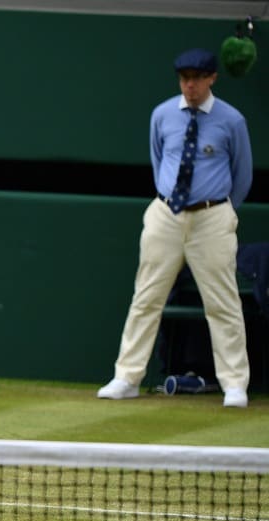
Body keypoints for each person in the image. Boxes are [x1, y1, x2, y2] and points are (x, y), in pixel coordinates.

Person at [98, 49, 253, 407]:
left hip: (212, 217)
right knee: (146, 297)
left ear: (212, 78)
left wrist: (221, 211)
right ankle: (127, 377)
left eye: (197, 79)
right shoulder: (162, 115)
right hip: (165, 214)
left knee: (222, 302)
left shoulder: (232, 121)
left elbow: (242, 176)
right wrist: (171, 202)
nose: (190, 86)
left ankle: (234, 384)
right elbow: (159, 160)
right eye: (184, 79)